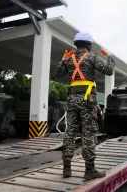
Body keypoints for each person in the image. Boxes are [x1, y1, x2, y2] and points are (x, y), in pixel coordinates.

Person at [51, 32, 115, 180]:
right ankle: (89, 169)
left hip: (72, 99)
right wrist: (111, 57)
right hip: (87, 100)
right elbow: (109, 71)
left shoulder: (69, 59)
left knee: (70, 132)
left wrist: (63, 59)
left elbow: (57, 73)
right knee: (88, 133)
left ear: (76, 44)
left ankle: (66, 168)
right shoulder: (92, 58)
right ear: (89, 45)